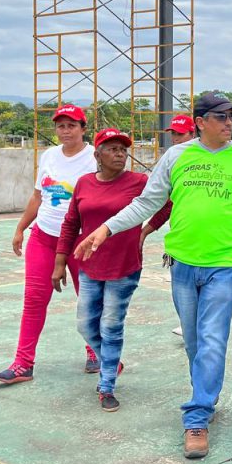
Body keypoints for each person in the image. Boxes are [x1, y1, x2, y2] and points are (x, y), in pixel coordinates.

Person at [73, 91, 232, 458]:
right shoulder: (177, 156)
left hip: (225, 266)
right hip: (182, 266)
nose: (229, 123)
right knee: (195, 342)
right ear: (201, 121)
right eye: (221, 117)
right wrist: (106, 229)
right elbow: (147, 202)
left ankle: (196, 417)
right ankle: (206, 395)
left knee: (212, 340)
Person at [53, 128, 170, 411]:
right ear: (97, 155)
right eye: (113, 149)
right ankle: (111, 362)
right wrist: (60, 261)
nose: (120, 154)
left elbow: (167, 204)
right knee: (85, 324)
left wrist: (145, 231)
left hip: (124, 265)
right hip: (90, 265)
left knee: (111, 325)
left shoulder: (139, 182)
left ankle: (106, 386)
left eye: (123, 150)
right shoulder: (84, 184)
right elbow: (71, 224)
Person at [0, 104, 97, 384]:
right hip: (44, 237)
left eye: (71, 125)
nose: (65, 131)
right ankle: (23, 364)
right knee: (34, 300)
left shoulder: (93, 158)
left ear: (83, 129)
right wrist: (20, 228)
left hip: (79, 241)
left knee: (88, 300)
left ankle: (96, 353)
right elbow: (38, 197)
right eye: (61, 126)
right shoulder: (50, 156)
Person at [143, 113, 196, 338]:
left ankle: (194, 326)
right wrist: (144, 230)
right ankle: (189, 325)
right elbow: (166, 205)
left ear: (193, 133)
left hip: (210, 240)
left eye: (180, 134)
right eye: (173, 133)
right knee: (183, 290)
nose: (175, 138)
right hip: (181, 239)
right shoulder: (172, 160)